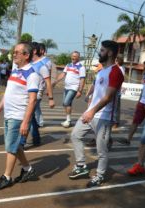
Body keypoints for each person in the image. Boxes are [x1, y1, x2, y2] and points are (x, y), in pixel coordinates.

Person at [69, 40, 124, 187]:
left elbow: (108, 97)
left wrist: (92, 111)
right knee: (75, 135)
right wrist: (89, 102)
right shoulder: (102, 71)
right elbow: (98, 93)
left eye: (102, 50)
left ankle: (99, 176)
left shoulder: (116, 72)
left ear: (110, 53)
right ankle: (81, 166)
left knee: (101, 150)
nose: (99, 52)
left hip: (104, 117)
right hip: (91, 113)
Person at [0, 42, 41, 190]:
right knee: (15, 145)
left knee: (11, 147)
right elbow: (8, 93)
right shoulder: (15, 70)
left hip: (19, 116)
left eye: (18, 52)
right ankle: (28, 169)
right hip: (9, 114)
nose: (14, 54)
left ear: (26, 55)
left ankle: (6, 176)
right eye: (14, 51)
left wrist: (26, 122)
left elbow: (32, 100)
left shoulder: (32, 74)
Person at [117, 59, 145, 145]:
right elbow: (144, 89)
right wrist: (139, 100)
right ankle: (128, 139)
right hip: (142, 102)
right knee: (135, 121)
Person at [26, 42, 55, 147]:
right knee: (31, 117)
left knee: (28, 116)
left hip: (37, 93)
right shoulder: (30, 63)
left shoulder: (45, 63)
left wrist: (50, 96)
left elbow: (48, 78)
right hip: (28, 94)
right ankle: (36, 138)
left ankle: (22, 141)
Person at [52, 51, 86, 128]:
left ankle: (68, 120)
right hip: (66, 87)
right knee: (66, 103)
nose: (73, 58)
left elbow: (82, 79)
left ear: (78, 57)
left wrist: (80, 91)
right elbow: (63, 74)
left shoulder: (81, 67)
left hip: (74, 88)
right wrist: (55, 82)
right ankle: (68, 120)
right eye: (72, 56)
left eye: (75, 56)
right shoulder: (68, 65)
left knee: (66, 102)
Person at [113, 55, 125, 128]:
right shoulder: (116, 68)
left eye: (116, 60)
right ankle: (114, 121)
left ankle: (116, 122)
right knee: (113, 107)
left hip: (117, 91)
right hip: (114, 90)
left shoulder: (121, 68)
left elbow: (120, 80)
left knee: (116, 108)